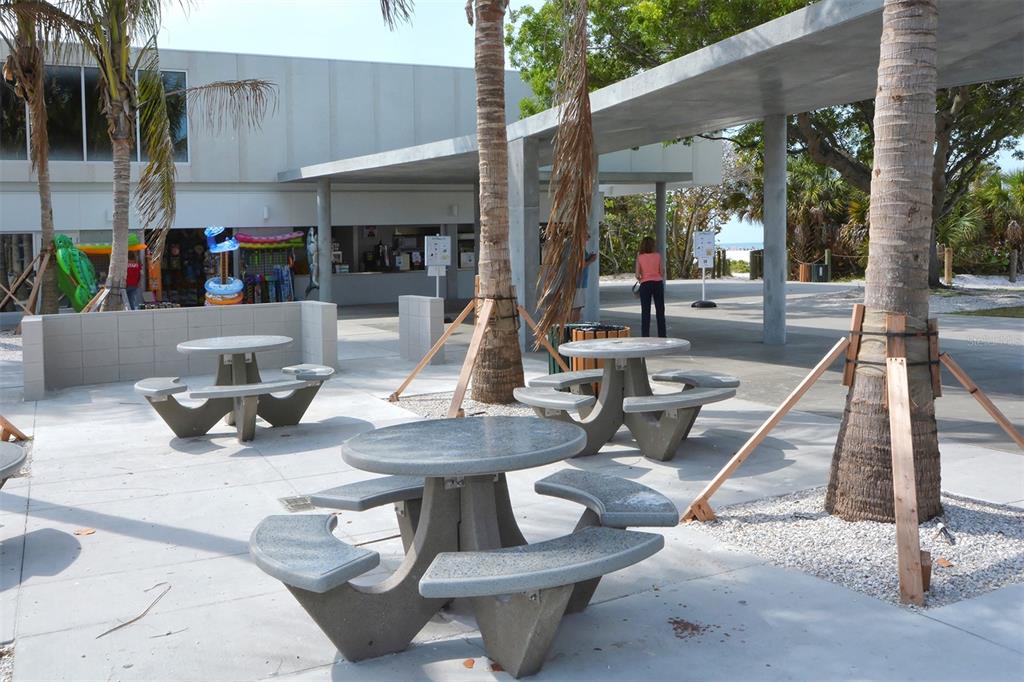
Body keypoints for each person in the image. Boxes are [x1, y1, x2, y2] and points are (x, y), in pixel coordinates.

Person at [635, 236, 666, 337]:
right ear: (653, 245)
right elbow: (662, 272)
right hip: (658, 283)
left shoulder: (640, 257)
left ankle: (645, 336)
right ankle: (662, 335)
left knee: (645, 312)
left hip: (645, 284)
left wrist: (641, 279)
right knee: (660, 311)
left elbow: (637, 274)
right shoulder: (658, 256)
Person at [570, 250, 598, 322]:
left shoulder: (580, 248)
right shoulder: (577, 248)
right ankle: (573, 326)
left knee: (576, 307)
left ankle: (572, 325)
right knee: (576, 308)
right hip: (578, 283)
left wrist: (589, 258)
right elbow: (578, 266)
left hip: (579, 282)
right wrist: (591, 260)